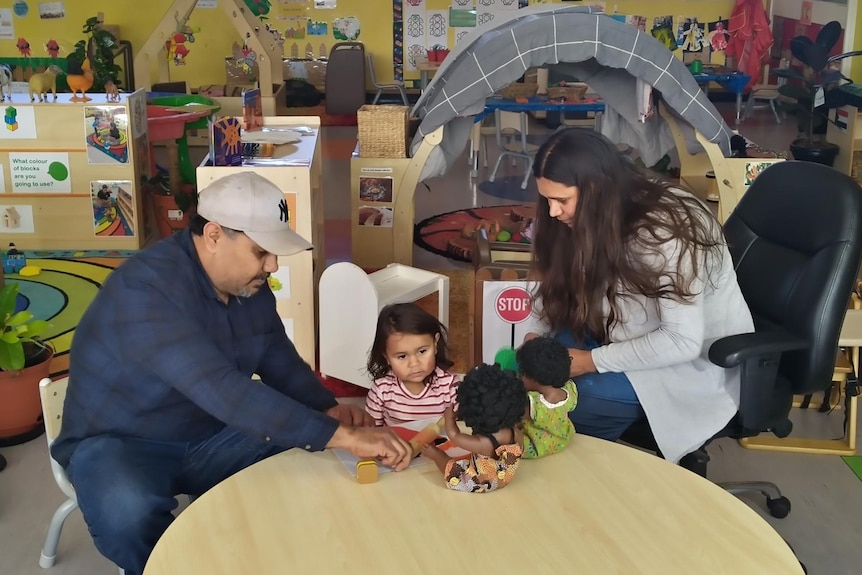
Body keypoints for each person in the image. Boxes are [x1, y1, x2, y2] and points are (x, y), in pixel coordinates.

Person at [51, 172, 412, 575]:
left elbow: (276, 356)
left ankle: (265, 556)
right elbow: (226, 392)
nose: (273, 265)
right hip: (121, 443)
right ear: (214, 235)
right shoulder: (146, 291)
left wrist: (327, 410)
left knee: (308, 455)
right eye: (261, 252)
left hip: (209, 431)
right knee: (127, 515)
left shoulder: (249, 287)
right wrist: (345, 436)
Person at [526, 129, 754, 465]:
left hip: (690, 364)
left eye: (562, 200)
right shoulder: (592, 212)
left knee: (567, 398)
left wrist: (589, 362)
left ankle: (577, 493)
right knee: (532, 370)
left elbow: (681, 342)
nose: (553, 211)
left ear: (597, 189)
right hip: (621, 332)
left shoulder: (667, 229)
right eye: (547, 199)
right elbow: (557, 283)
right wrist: (537, 337)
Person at [421, 363, 527, 493]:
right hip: (506, 475)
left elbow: (455, 436)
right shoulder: (515, 432)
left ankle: (435, 455)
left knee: (454, 471)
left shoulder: (483, 443)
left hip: (482, 482)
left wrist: (450, 418)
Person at [365, 302, 460, 426]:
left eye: (422, 351)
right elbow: (371, 434)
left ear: (435, 344)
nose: (414, 363)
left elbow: (463, 430)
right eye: (402, 356)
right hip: (395, 445)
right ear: (386, 357)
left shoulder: (450, 387)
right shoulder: (381, 390)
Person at [515, 336, 578, 458]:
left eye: (521, 373)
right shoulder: (569, 390)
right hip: (562, 439)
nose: (519, 376)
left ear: (532, 378)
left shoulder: (534, 405)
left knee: (505, 433)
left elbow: (515, 416)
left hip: (536, 445)